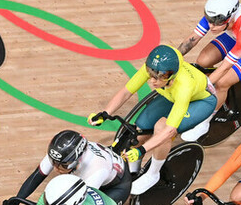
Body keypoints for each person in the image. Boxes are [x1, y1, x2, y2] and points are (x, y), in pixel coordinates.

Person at [92, 44, 217, 194]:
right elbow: (126, 91)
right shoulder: (154, 67)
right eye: (151, 74)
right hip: (171, 96)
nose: (153, 81)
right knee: (139, 129)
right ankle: (134, 167)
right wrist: (105, 113)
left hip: (200, 102)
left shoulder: (184, 86)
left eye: (160, 77)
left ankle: (153, 174)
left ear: (172, 75)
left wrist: (142, 150)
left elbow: (169, 131)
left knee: (161, 128)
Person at [176, 0, 241, 141]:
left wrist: (204, 86)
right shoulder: (216, 15)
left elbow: (224, 67)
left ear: (230, 17)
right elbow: (192, 39)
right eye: (209, 20)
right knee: (203, 61)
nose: (211, 26)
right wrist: (174, 58)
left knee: (221, 82)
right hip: (233, 36)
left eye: (216, 23)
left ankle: (204, 123)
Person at [3, 129, 130, 205]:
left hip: (116, 187)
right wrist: (17, 199)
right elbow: (37, 176)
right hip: (92, 173)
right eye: (54, 163)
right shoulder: (61, 154)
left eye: (63, 166)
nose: (56, 168)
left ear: (77, 160)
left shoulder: (96, 169)